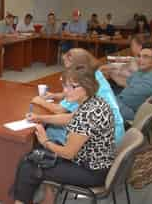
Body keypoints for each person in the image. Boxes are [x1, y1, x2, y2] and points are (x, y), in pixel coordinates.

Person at [13, 65, 115, 204]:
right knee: (38, 155)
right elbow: (70, 118)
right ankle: (48, 199)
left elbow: (68, 153)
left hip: (90, 171)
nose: (65, 91)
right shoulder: (94, 101)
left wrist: (45, 141)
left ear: (86, 86)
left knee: (29, 166)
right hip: (96, 162)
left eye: (71, 87)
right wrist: (40, 118)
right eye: (64, 86)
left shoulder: (88, 114)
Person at [31, 48, 124, 145]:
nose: (67, 70)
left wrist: (40, 101)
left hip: (105, 141)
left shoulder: (81, 81)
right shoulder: (94, 74)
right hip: (114, 131)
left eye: (68, 67)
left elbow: (60, 110)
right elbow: (74, 115)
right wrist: (56, 95)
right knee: (54, 125)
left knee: (51, 130)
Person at [116, 44, 152, 141]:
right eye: (139, 56)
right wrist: (109, 74)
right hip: (117, 101)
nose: (140, 59)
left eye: (145, 57)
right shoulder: (141, 71)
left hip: (127, 111)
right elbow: (127, 84)